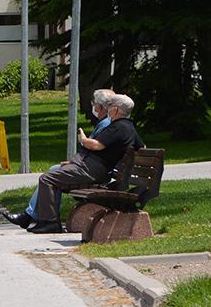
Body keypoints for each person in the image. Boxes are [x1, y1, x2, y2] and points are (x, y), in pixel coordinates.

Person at [26, 94, 144, 234]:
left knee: (47, 178)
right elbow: (142, 147)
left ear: (116, 110)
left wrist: (82, 138)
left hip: (91, 170)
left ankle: (50, 222)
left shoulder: (118, 127)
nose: (108, 109)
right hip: (94, 168)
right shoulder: (129, 127)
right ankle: (43, 220)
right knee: (55, 173)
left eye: (110, 106)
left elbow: (96, 145)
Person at [4, 88, 115, 229]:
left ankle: (45, 220)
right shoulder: (104, 123)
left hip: (94, 172)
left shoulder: (105, 125)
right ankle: (33, 216)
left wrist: (83, 142)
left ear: (99, 106)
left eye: (93, 103)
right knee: (54, 170)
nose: (92, 106)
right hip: (91, 168)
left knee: (49, 178)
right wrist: (72, 163)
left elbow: (95, 151)